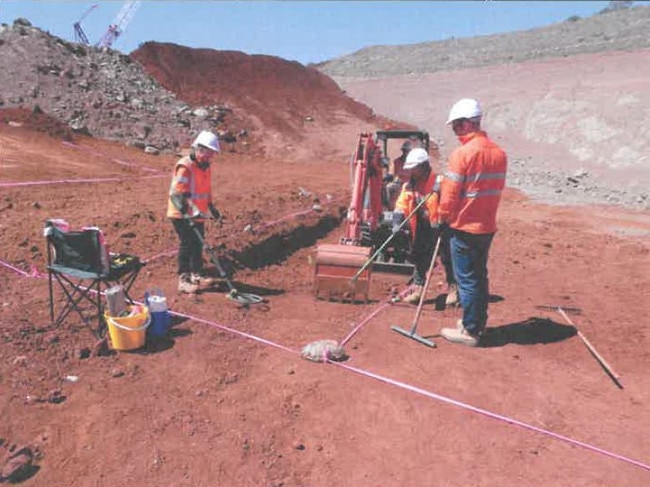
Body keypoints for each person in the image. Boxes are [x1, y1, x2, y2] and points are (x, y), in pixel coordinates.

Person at [438, 98, 508, 346]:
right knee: (479, 276)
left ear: (468, 123)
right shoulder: (499, 153)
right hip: (486, 226)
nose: (456, 132)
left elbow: (449, 194)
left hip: (464, 226)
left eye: (457, 126)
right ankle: (476, 321)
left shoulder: (462, 154)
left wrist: (442, 217)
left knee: (466, 279)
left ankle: (471, 331)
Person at [394, 147, 456, 305]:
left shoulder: (440, 183)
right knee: (420, 257)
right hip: (422, 227)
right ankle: (418, 288)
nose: (411, 172)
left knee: (448, 258)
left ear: (423, 167)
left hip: (442, 228)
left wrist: (444, 218)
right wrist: (396, 221)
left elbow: (449, 204)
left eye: (413, 168)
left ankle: (454, 289)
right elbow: (401, 204)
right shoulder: (409, 186)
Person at [167, 130, 223, 294]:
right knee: (187, 243)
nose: (210, 157)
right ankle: (183, 280)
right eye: (207, 153)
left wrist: (211, 207)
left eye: (212, 154)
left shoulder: (205, 167)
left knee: (198, 244)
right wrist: (190, 211)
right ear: (198, 149)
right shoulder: (185, 166)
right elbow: (178, 193)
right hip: (181, 213)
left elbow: (206, 189)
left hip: (198, 213)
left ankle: (196, 274)